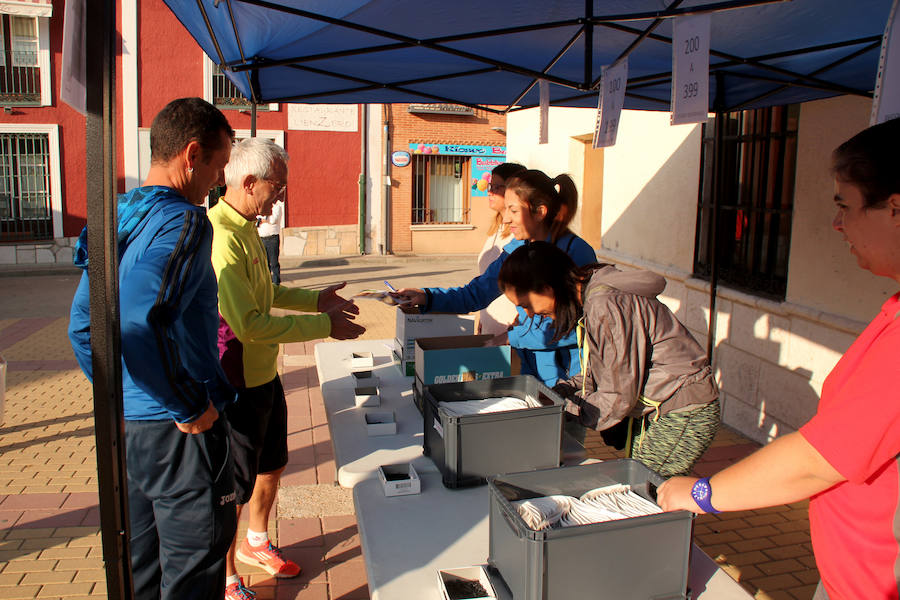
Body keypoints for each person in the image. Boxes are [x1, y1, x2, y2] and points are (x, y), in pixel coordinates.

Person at [658, 117, 900, 600]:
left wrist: (700, 493)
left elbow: (818, 459)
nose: (836, 223)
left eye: (845, 205)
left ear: (896, 208)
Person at [68, 97, 237, 600]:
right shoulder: (183, 222)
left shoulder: (117, 217)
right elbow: (141, 322)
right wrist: (188, 404)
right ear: (192, 155)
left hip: (134, 429)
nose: (218, 182)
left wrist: (120, 395)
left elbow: (84, 327)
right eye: (219, 166)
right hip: (179, 432)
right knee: (192, 573)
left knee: (142, 569)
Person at [208, 137, 364, 600]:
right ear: (249, 181)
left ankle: (257, 543)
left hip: (263, 376)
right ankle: (225, 572)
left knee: (271, 467)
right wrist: (323, 325)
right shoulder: (221, 238)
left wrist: (316, 299)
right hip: (235, 381)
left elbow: (268, 294)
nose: (282, 195)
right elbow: (250, 324)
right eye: (278, 186)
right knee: (234, 486)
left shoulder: (247, 226)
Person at [497, 242, 720, 476]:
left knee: (648, 492)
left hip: (680, 409)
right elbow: (602, 370)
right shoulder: (593, 295)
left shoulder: (605, 304)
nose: (529, 314)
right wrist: (560, 392)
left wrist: (564, 410)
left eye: (526, 304)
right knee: (642, 489)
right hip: (661, 407)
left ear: (546, 287)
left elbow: (617, 396)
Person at [392, 169, 596, 388]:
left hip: (568, 379)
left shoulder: (577, 253)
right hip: (530, 372)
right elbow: (477, 292)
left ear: (540, 212)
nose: (506, 219)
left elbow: (583, 328)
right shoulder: (517, 250)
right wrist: (428, 297)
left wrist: (511, 337)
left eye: (513, 210)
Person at [476, 162, 525, 335]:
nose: (490, 192)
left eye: (498, 187)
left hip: (511, 334)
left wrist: (518, 329)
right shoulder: (495, 229)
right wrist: (482, 318)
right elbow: (484, 281)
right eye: (491, 186)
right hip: (490, 327)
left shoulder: (520, 234)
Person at [256, 198, 283, 284]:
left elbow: (273, 220)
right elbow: (257, 219)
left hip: (272, 238)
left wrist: (264, 220)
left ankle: (276, 283)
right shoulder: (262, 208)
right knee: (265, 262)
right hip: (262, 238)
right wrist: (262, 220)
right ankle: (267, 282)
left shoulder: (277, 207)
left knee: (274, 262)